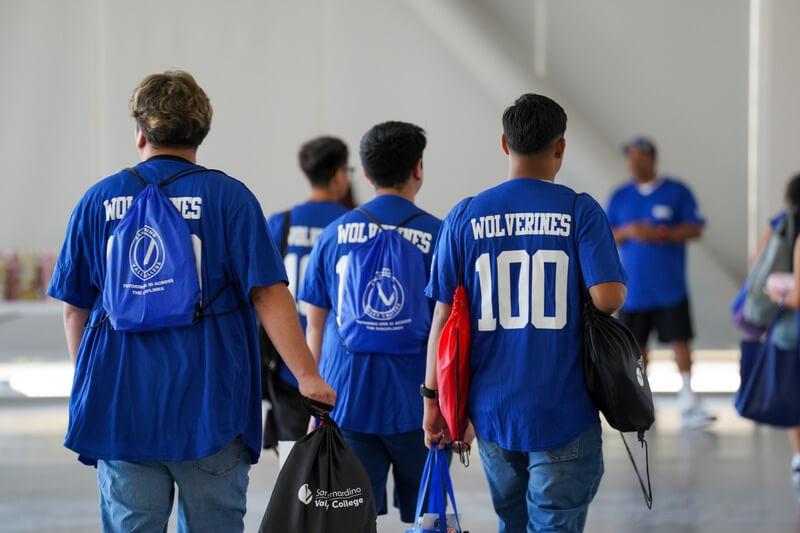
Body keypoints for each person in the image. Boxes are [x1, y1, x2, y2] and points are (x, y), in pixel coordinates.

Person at [46, 70, 335, 533]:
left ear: (140, 134)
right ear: (201, 132)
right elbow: (268, 293)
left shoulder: (97, 201)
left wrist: (90, 384)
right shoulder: (230, 199)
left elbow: (74, 308)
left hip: (124, 408)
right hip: (211, 408)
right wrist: (307, 375)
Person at [424, 94, 627, 532]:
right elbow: (608, 298)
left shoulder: (464, 216)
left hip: (493, 413)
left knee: (510, 521)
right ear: (560, 147)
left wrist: (432, 400)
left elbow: (441, 320)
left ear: (504, 143)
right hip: (562, 410)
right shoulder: (580, 210)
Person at [299, 121, 441, 524]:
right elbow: (451, 327)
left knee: (349, 520)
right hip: (419, 405)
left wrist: (314, 405)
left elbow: (315, 325)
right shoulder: (440, 234)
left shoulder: (333, 234)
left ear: (363, 173)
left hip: (347, 400)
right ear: (418, 169)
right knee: (429, 519)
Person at [606, 136, 714, 429]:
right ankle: (641, 402)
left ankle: (689, 401)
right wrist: (629, 231)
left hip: (670, 288)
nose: (633, 163)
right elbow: (608, 234)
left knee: (681, 342)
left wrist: (661, 233)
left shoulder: (676, 191)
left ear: (652, 159)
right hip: (633, 290)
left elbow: (694, 228)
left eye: (639, 157)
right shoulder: (620, 196)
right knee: (636, 350)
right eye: (630, 157)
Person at [262, 136, 351, 458]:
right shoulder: (352, 224)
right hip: (340, 370)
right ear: (339, 174)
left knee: (294, 467)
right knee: (339, 469)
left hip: (290, 368)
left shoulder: (281, 224)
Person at [761, 173, 800, 500]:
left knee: (793, 392)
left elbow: (758, 261)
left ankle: (799, 456)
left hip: (790, 326)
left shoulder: (781, 224)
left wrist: (777, 294)